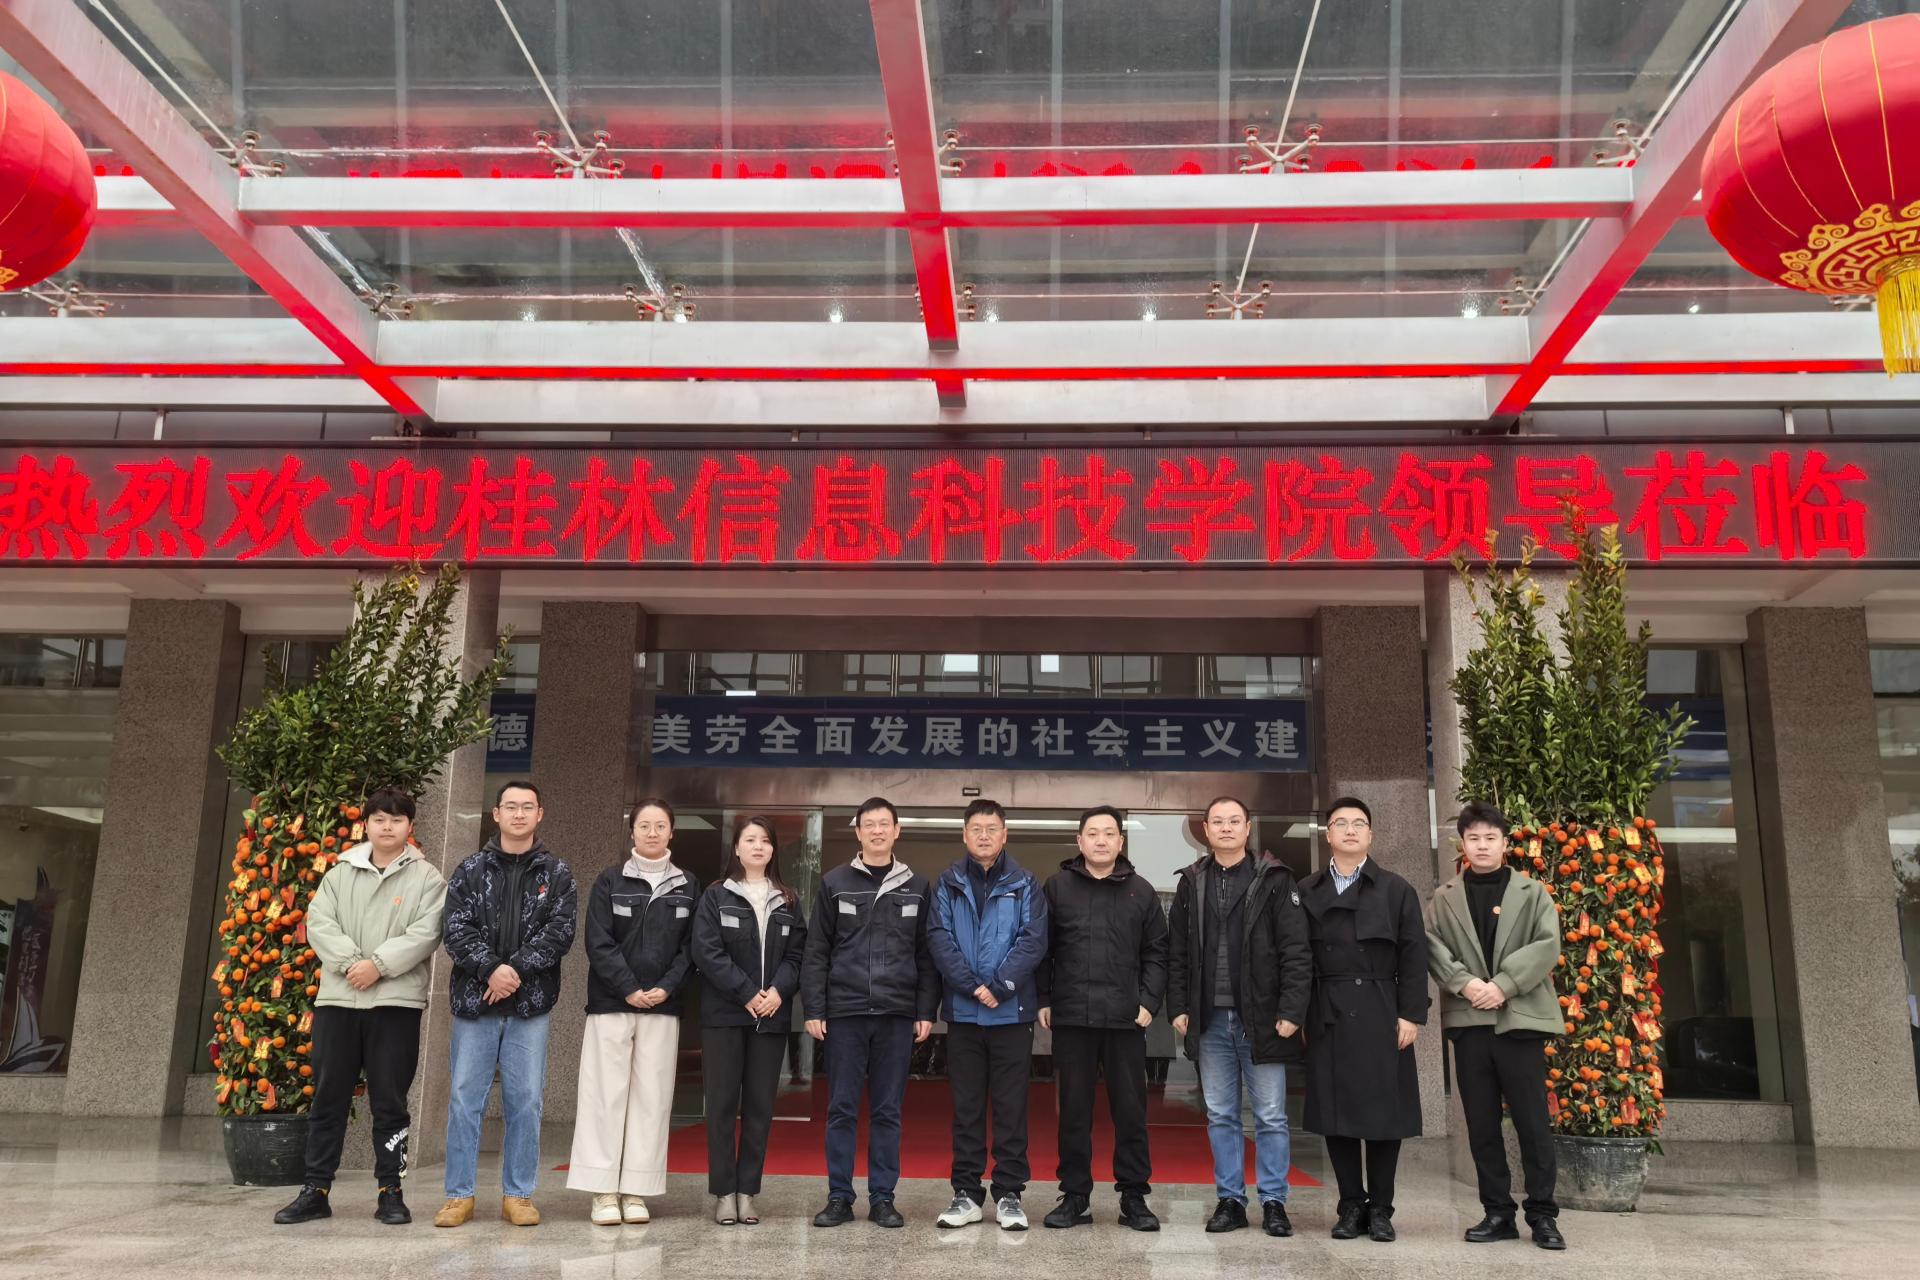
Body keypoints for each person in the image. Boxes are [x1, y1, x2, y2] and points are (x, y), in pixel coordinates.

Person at [274, 788, 448, 1227]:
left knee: (390, 1101)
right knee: (328, 1097)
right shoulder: (339, 873)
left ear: (410, 826)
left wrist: (379, 966)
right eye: (379, 819)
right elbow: (319, 923)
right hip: (339, 1000)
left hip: (395, 1003)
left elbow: (427, 932)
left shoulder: (428, 878)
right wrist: (354, 964)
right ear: (365, 823)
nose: (387, 827)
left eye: (397, 819)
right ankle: (316, 1190)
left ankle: (391, 1191)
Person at [1166, 796, 1313, 1238]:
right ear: (1206, 830)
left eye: (1234, 821)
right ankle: (1230, 1199)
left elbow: (1296, 951)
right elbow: (1177, 953)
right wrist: (1179, 1006)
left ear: (1248, 829)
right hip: (1210, 1019)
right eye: (1218, 821)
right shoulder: (1192, 882)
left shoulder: (1275, 879)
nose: (1226, 828)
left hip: (1263, 1019)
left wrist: (1291, 1010)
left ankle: (1274, 1202)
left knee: (1270, 1115)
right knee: (1221, 1115)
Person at [433, 780, 577, 1229]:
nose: (518, 814)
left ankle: (518, 1194)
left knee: (526, 1100)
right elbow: (455, 929)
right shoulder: (470, 869)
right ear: (495, 814)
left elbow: (560, 933)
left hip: (529, 1006)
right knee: (464, 1099)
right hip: (475, 1003)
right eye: (510, 806)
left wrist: (511, 972)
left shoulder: (557, 873)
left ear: (540, 814)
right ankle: (458, 1195)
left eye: (527, 807)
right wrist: (490, 970)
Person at [1427, 802, 1567, 1251]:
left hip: (1519, 1019)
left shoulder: (1532, 892)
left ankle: (1542, 1215)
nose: (1482, 846)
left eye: (1490, 838)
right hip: (1470, 1020)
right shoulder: (1444, 896)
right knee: (1481, 1123)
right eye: (1474, 838)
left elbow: (1547, 945)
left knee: (1533, 1121)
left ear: (1505, 843)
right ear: (1462, 845)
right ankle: (1498, 1212)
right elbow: (1431, 946)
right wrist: (1465, 984)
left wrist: (1503, 985)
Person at [801, 797, 939, 1229]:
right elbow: (816, 950)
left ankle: (883, 1198)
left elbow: (926, 954)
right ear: (858, 832)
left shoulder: (917, 885)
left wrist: (925, 1009)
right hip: (845, 1012)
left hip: (896, 1013)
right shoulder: (834, 882)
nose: (877, 831)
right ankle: (839, 1197)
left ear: (897, 831)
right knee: (841, 1108)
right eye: (869, 824)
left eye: (884, 824)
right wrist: (814, 1007)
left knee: (887, 1110)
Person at [1299, 795, 1430, 1243]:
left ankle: (1381, 1209)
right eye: (1341, 823)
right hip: (1327, 1011)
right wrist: (1300, 1012)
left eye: (1359, 823)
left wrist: (1411, 1014)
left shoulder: (1395, 889)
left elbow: (1414, 955)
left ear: (1371, 835)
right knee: (1335, 1114)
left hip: (1380, 1009)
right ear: (1328, 834)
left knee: (1382, 1114)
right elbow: (1297, 958)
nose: (1350, 830)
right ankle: (1350, 1205)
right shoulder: (1307, 889)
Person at [1037, 804, 1168, 1232]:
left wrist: (1148, 1001)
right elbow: (1042, 948)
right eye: (1092, 833)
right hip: (1072, 1016)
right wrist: (1044, 998)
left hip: (1125, 1019)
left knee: (1130, 1111)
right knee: (1074, 1111)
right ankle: (1075, 1195)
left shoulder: (1141, 891)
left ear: (1120, 842)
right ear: (1079, 841)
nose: (1100, 841)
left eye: (1109, 833)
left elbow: (1157, 952)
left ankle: (1134, 1196)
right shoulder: (1057, 888)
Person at [567, 799, 696, 1225]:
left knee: (651, 1099)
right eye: (645, 825)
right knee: (604, 1096)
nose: (652, 832)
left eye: (660, 825)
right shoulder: (610, 880)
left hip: (663, 1006)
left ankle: (637, 1189)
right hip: (611, 1003)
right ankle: (603, 1190)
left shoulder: (688, 884)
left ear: (672, 832)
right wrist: (629, 988)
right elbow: (598, 941)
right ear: (632, 832)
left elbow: (691, 947)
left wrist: (666, 987)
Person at [928, 799, 1049, 1232]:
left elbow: (1033, 940)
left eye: (991, 828)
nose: (984, 835)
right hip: (964, 1014)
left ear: (1004, 834)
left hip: (1011, 1014)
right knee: (966, 1107)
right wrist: (970, 985)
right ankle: (966, 1193)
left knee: (1011, 1107)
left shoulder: (1026, 883)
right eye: (976, 829)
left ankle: (1010, 1194)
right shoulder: (947, 883)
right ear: (964, 835)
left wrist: (999, 986)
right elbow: (939, 938)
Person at [691, 816, 807, 1227]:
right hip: (725, 1016)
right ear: (737, 849)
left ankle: (747, 1192)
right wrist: (745, 992)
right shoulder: (715, 896)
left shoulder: (787, 901)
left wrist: (777, 992)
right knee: (722, 1106)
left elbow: (798, 956)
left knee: (760, 1108)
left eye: (765, 841)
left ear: (773, 850)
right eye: (750, 840)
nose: (758, 846)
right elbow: (707, 952)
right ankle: (724, 1193)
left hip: (770, 1016)